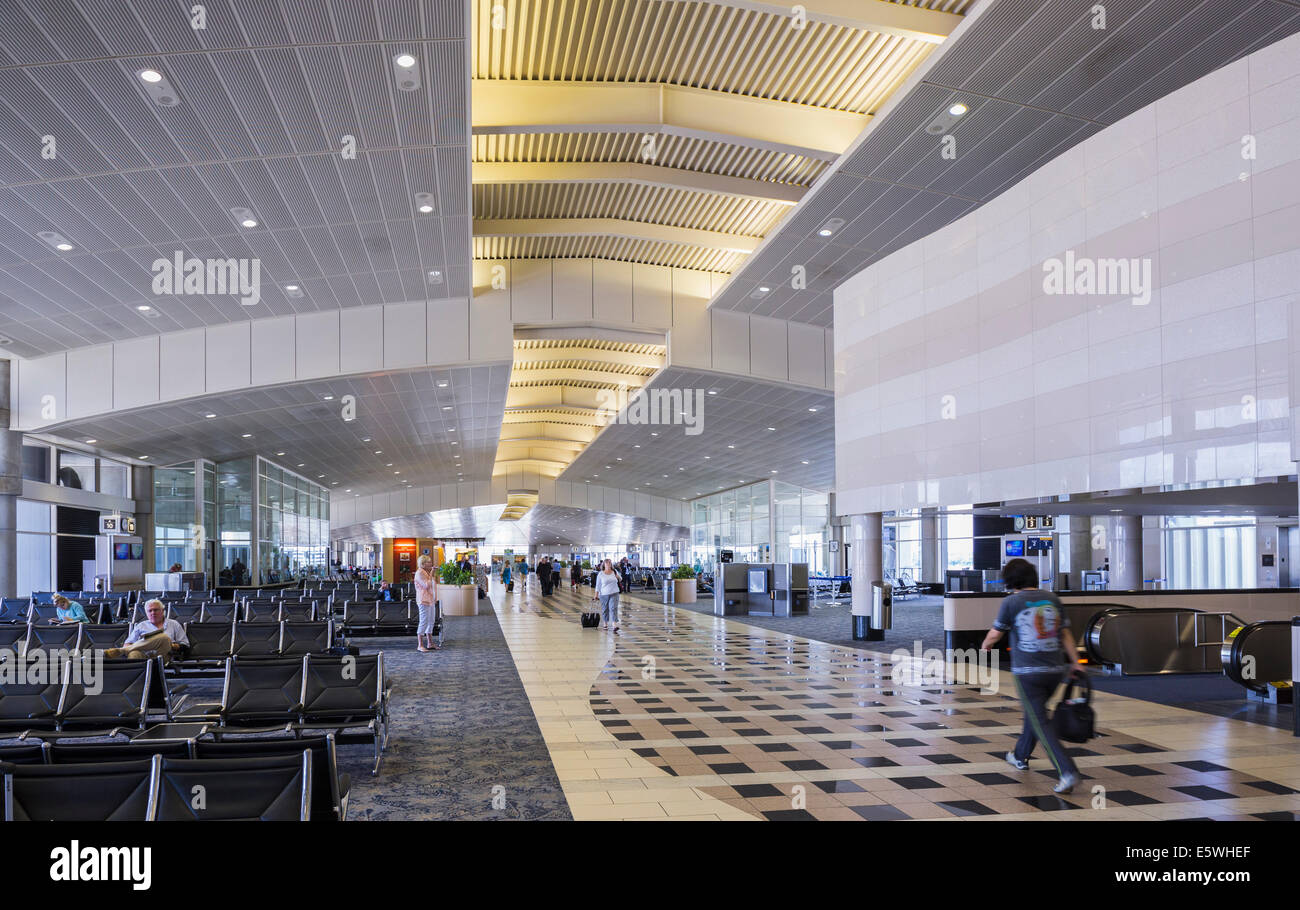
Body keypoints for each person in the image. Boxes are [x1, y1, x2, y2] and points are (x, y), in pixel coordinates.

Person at [981, 557, 1081, 794]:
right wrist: (1076, 662)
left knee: (1040, 721)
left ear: (1010, 580)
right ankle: (1020, 755)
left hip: (1028, 673)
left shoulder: (1012, 602)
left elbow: (996, 633)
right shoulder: (1053, 599)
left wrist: (985, 646)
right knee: (1034, 715)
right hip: (1056, 670)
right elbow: (1065, 634)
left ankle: (1067, 771)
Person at [106, 599, 189, 663]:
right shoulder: (141, 625)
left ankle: (120, 651)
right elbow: (127, 644)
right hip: (143, 653)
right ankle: (136, 682)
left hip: (163, 654)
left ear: (162, 611)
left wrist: (172, 645)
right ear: (146, 613)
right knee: (133, 653)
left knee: (164, 637)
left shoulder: (174, 624)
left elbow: (185, 645)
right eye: (150, 611)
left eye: (156, 610)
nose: (153, 613)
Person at [414, 555, 439, 653]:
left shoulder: (426, 572)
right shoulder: (420, 572)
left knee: (431, 621)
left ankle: (430, 643)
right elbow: (427, 586)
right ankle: (420, 645)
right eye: (429, 562)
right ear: (423, 564)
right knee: (423, 621)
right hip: (423, 600)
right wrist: (432, 572)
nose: (431, 564)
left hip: (430, 600)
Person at [595, 559, 621, 633]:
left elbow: (620, 579)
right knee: (605, 609)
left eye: (609, 563)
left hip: (615, 592)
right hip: (604, 594)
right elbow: (598, 585)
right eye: (607, 563)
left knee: (613, 608)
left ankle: (614, 624)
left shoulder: (614, 571)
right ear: (604, 565)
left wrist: (617, 576)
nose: (608, 564)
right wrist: (596, 595)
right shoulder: (601, 574)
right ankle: (605, 623)